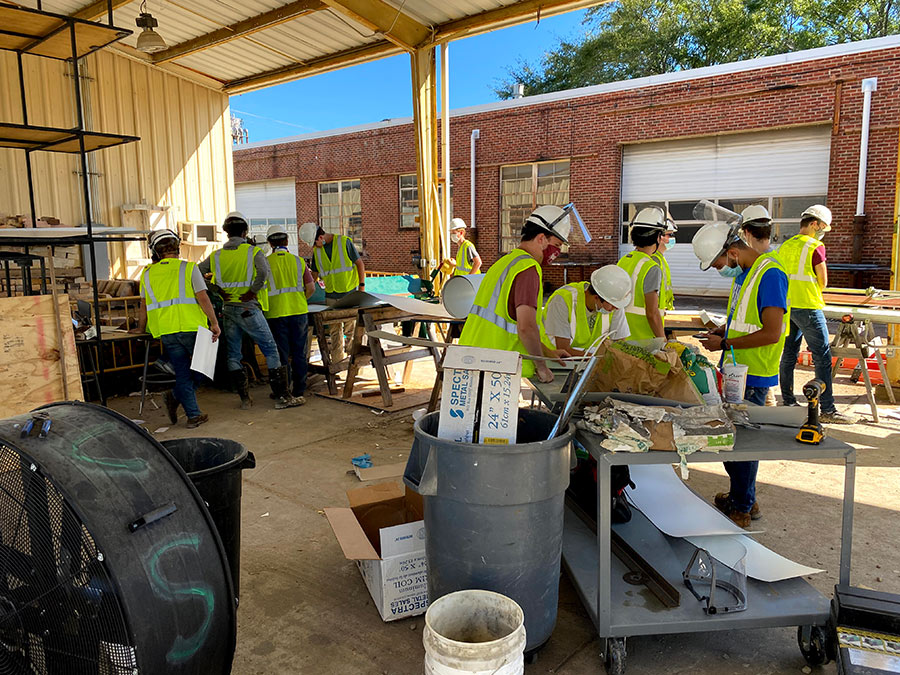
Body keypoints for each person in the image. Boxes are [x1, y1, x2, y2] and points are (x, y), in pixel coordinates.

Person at [692, 221, 789, 527]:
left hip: (754, 372)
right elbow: (746, 318)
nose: (720, 270)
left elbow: (772, 332)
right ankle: (743, 496)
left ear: (733, 253)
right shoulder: (746, 274)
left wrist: (727, 342)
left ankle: (742, 506)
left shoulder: (770, 274)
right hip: (737, 369)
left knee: (743, 443)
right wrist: (723, 329)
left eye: (719, 264)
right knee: (733, 440)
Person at [199, 211, 302, 410]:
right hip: (248, 308)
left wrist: (217, 289)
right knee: (271, 350)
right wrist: (252, 291)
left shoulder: (217, 256)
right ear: (245, 231)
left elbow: (197, 272)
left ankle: (245, 399)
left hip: (229, 308)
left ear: (226, 233)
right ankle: (283, 397)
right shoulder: (253, 252)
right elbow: (264, 272)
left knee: (233, 354)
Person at [459, 204, 572, 383]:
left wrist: (549, 353)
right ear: (542, 238)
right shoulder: (528, 268)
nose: (557, 252)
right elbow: (525, 327)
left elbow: (509, 325)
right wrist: (542, 367)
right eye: (557, 245)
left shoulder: (506, 262)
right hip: (495, 368)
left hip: (472, 360)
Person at [134, 229, 221, 428]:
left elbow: (143, 306)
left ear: (155, 251)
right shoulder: (189, 268)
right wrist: (214, 323)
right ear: (177, 247)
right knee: (204, 368)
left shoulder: (147, 274)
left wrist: (140, 329)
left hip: (166, 331)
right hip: (192, 328)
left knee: (182, 372)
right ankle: (177, 397)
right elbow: (203, 298)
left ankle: (192, 414)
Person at [778, 205, 854, 424]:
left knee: (789, 355)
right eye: (822, 227)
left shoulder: (786, 245)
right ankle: (827, 408)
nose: (822, 232)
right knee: (822, 357)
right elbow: (823, 281)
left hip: (788, 307)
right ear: (814, 224)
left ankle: (789, 401)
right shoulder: (815, 246)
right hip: (809, 307)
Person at [299, 222, 365, 364]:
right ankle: (337, 363)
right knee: (335, 332)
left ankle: (354, 362)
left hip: (349, 294)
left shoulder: (344, 242)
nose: (314, 247)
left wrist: (362, 287)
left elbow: (360, 264)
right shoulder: (317, 252)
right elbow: (315, 275)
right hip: (331, 296)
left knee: (351, 330)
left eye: (314, 243)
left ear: (321, 237)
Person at [264, 224, 316, 403]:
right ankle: (299, 390)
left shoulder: (265, 263)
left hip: (275, 314)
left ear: (270, 243)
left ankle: (283, 391)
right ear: (287, 241)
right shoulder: (298, 261)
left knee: (281, 355)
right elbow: (311, 288)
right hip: (298, 312)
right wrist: (301, 299)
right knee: (299, 353)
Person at [542, 265, 632, 355]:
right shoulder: (562, 300)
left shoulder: (612, 300)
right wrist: (599, 359)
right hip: (556, 363)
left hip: (591, 362)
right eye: (612, 305)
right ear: (596, 298)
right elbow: (563, 350)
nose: (616, 308)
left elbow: (620, 343)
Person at [617, 207, 667, 340]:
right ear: (657, 237)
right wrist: (663, 341)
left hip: (621, 336)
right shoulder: (651, 267)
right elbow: (652, 313)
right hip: (643, 340)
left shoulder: (623, 260)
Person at [653, 218, 677, 316]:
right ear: (660, 237)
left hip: (664, 311)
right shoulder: (654, 260)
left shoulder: (660, 258)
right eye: (670, 235)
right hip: (659, 313)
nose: (672, 238)